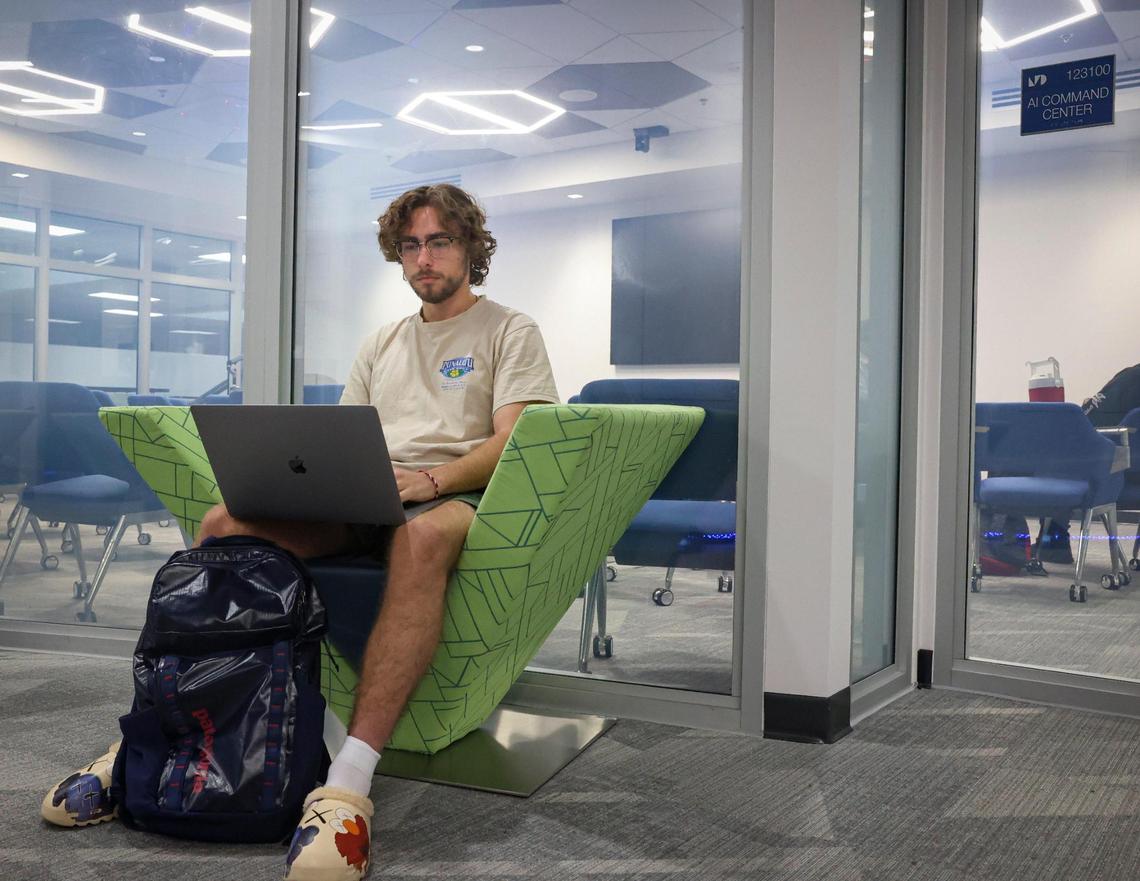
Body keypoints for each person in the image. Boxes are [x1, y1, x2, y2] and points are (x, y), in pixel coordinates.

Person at [40, 184, 561, 881]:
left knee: (419, 539)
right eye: (410, 245)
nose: (424, 257)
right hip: (363, 496)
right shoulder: (383, 341)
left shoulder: (509, 329)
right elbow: (342, 436)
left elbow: (514, 440)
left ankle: (349, 780)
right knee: (224, 522)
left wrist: (433, 480)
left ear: (470, 246)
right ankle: (153, 735)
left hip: (450, 497)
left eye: (439, 241)